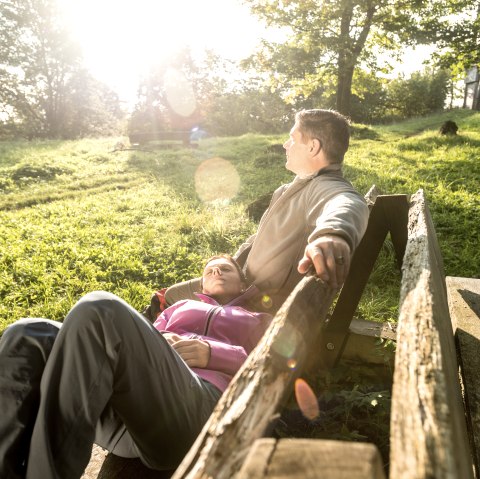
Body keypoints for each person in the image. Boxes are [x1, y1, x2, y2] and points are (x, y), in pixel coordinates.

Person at [0, 255, 271, 479]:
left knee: (101, 309)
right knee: (26, 334)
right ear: (201, 285)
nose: (216, 270)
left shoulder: (257, 319)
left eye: (225, 268)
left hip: (196, 411)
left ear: (242, 281)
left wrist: (213, 353)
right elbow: (139, 345)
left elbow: (272, 363)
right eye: (209, 270)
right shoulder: (179, 307)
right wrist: (160, 340)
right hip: (129, 415)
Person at [165, 109, 370, 311]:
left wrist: (333, 234)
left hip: (256, 302)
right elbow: (260, 237)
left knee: (168, 301)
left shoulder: (324, 185)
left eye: (292, 139)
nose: (285, 144)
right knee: (168, 295)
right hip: (242, 281)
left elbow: (347, 201)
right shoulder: (286, 190)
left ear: (313, 147)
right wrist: (233, 265)